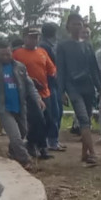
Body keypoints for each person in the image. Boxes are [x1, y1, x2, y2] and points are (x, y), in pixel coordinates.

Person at [0, 40, 44, 170]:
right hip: (2, 107)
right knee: (15, 136)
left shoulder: (20, 67)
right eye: (2, 55)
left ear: (11, 52)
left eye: (8, 54)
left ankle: (13, 152)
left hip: (20, 104)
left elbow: (29, 84)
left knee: (22, 132)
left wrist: (37, 98)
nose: (5, 57)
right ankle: (26, 160)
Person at [57, 12, 101, 166]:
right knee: (82, 118)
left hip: (88, 85)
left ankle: (84, 153)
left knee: (87, 119)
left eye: (79, 23)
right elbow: (60, 70)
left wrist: (100, 88)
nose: (77, 26)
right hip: (72, 86)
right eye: (74, 23)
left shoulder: (88, 45)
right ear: (68, 26)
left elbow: (94, 69)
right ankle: (93, 154)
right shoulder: (62, 46)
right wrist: (61, 91)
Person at [13, 26, 57, 159]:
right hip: (28, 94)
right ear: (24, 37)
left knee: (49, 120)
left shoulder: (42, 52)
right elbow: (14, 73)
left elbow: (51, 69)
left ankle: (35, 143)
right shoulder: (17, 54)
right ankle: (39, 146)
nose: (34, 39)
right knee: (38, 120)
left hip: (45, 92)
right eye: (31, 36)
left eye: (37, 37)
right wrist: (30, 80)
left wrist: (53, 77)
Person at [40, 22, 65, 152]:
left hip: (52, 82)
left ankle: (53, 139)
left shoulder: (48, 45)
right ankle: (52, 140)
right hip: (50, 83)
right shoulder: (45, 47)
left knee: (56, 111)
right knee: (54, 112)